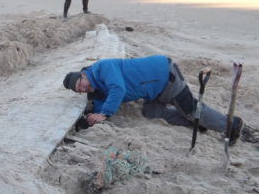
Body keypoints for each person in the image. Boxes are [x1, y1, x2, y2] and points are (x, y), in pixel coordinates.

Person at [62, 55, 244, 145]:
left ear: (83, 74)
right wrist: (90, 119)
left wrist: (104, 113)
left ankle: (231, 125)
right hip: (154, 92)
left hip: (166, 77)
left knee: (191, 110)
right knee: (152, 112)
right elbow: (103, 101)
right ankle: (196, 123)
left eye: (81, 84)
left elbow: (118, 89)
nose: (83, 89)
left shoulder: (102, 67)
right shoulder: (96, 87)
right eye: (80, 91)